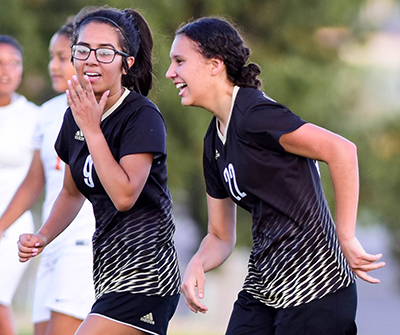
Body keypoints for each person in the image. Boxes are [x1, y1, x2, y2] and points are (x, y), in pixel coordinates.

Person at [166, 17, 386, 335]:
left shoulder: (256, 115)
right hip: (264, 287)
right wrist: (197, 262)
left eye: (180, 61)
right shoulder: (213, 141)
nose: (171, 72)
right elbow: (219, 235)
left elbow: (342, 151)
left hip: (316, 287)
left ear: (214, 64)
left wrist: (347, 237)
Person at [18, 6, 181, 335]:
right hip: (108, 271)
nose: (91, 59)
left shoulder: (141, 116)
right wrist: (43, 236)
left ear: (126, 63)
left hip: (147, 273)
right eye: (82, 50)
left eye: (105, 52)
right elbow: (70, 191)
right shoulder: (74, 114)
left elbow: (124, 195)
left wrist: (93, 130)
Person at [0, 21, 96, 335]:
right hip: (51, 245)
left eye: (62, 57)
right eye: (51, 57)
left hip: (82, 246)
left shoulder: (99, 110)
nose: (53, 66)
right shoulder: (48, 113)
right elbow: (33, 182)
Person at [0, 35, 39, 335]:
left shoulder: (34, 118)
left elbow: (40, 179)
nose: (7, 71)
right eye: (0, 63)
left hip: (12, 229)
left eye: (14, 63)